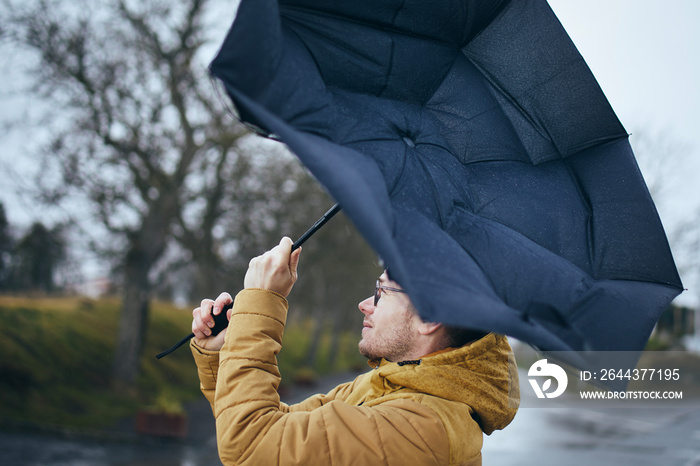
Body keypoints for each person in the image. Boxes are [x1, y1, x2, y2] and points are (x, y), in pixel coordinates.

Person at [190, 237, 519, 465]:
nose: (365, 305)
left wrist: (261, 299)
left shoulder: (422, 429)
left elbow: (250, 445)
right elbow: (270, 430)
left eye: (381, 293)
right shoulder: (387, 386)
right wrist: (221, 355)